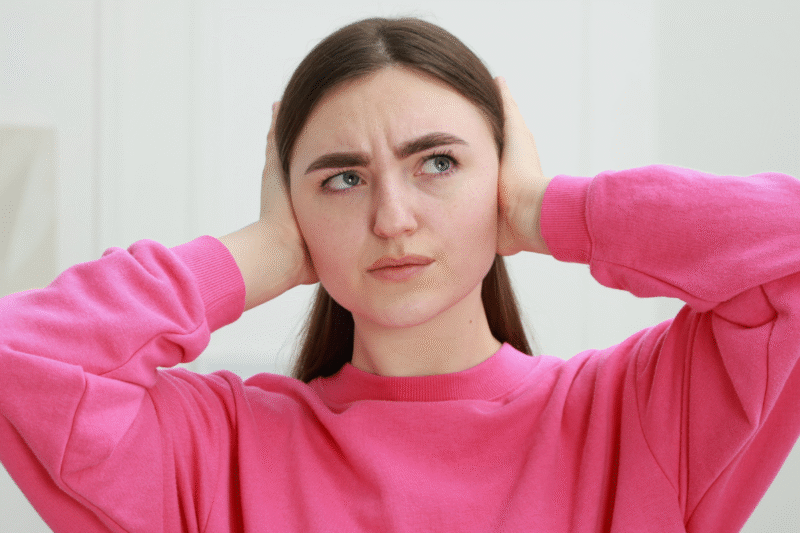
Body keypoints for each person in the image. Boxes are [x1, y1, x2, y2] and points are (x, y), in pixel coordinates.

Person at [1, 15, 799, 533]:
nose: (392, 218)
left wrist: (543, 210)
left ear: (499, 171)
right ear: (295, 205)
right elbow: (20, 357)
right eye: (341, 179)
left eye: (438, 163)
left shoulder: (639, 420)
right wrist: (271, 251)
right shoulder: (217, 449)